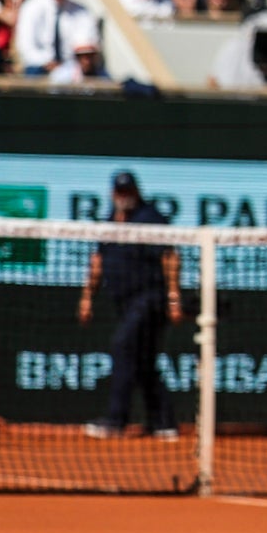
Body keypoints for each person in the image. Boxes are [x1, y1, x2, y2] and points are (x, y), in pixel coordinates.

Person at [79, 171, 182, 439]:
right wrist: (87, 296)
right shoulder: (109, 222)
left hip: (149, 299)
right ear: (113, 193)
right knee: (144, 361)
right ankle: (163, 422)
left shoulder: (151, 219)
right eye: (119, 192)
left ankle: (115, 420)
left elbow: (170, 257)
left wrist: (173, 297)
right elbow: (98, 260)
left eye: (128, 192)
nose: (124, 198)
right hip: (123, 301)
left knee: (123, 347)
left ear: (137, 192)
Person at [14, 0, 98, 76]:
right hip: (41, 67)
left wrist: (68, 66)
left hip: (74, 69)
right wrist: (48, 62)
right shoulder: (31, 8)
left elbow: (88, 44)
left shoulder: (81, 12)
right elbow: (26, 48)